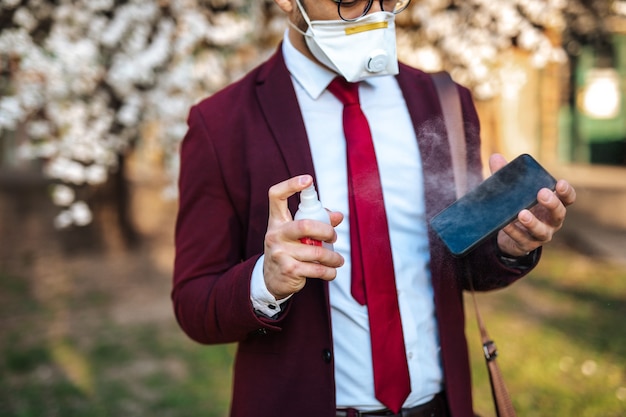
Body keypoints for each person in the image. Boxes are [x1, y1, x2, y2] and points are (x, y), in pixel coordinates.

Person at [171, 1, 577, 416]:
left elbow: (463, 265)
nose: (375, 16)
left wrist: (509, 245)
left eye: (390, 1)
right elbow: (193, 304)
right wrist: (266, 280)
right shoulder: (221, 124)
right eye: (350, 1)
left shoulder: (444, 100)